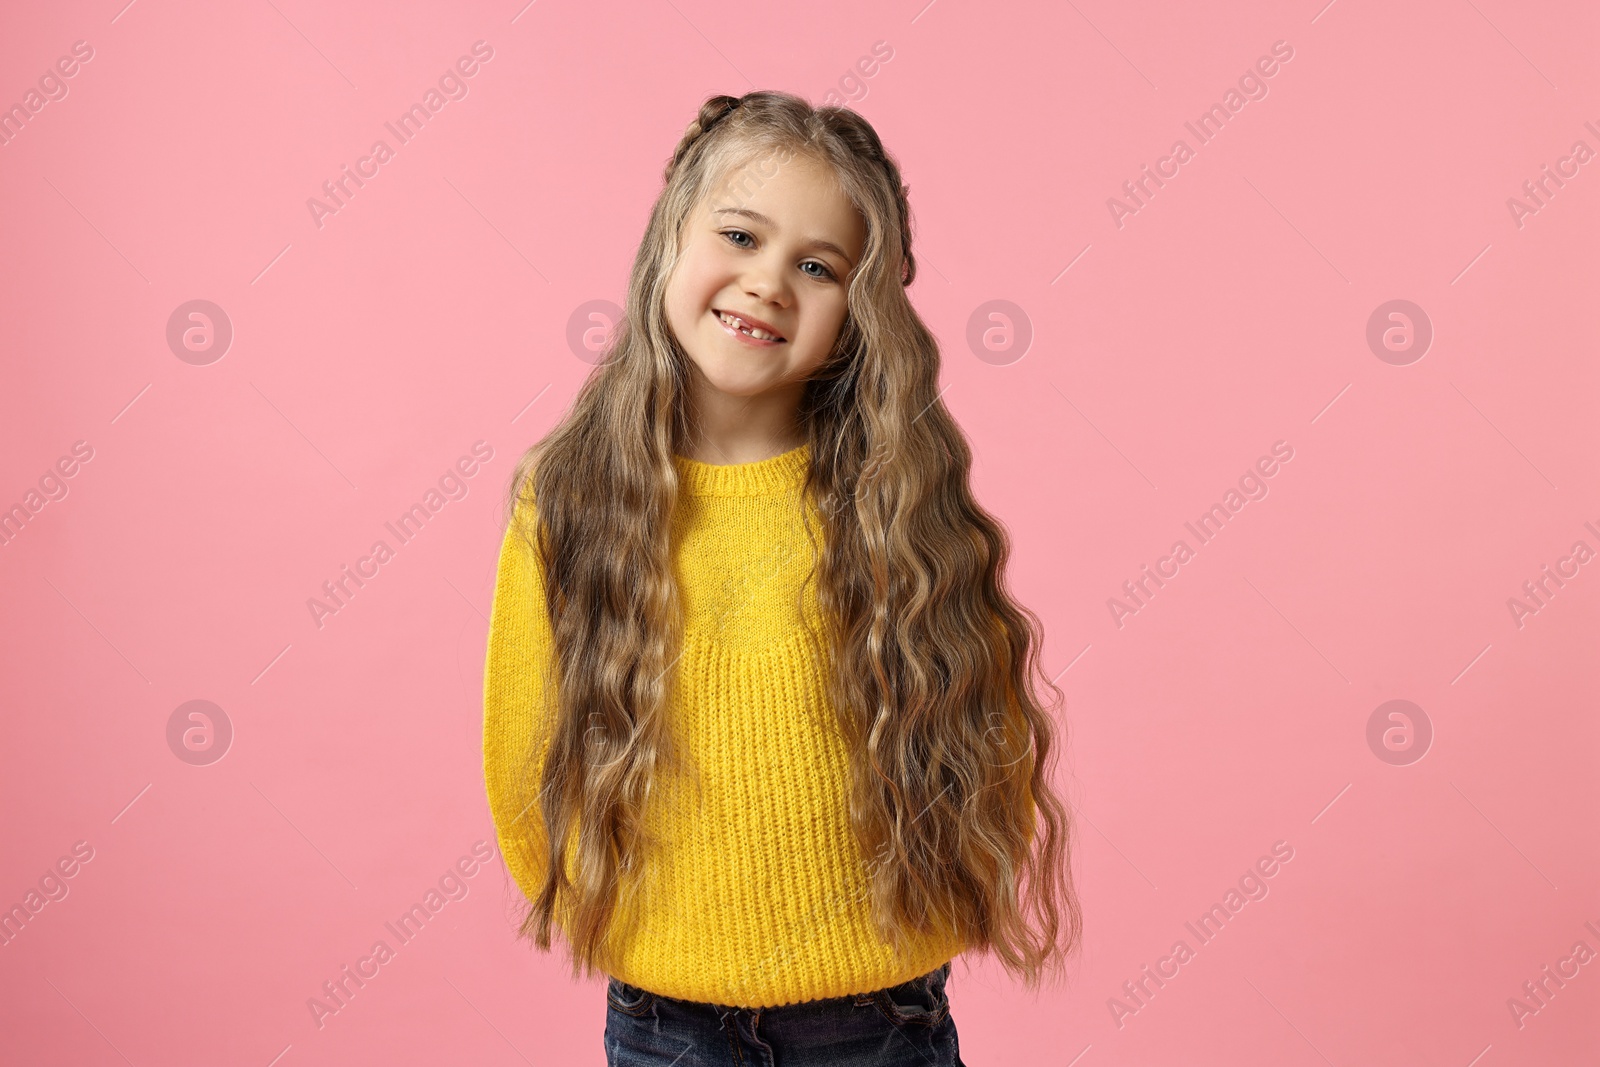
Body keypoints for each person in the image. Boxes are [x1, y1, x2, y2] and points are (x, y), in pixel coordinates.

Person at [483, 89, 1083, 1066]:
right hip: (664, 1021)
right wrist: (640, 925)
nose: (768, 282)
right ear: (670, 239)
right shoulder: (568, 496)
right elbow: (525, 750)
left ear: (860, 311)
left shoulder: (891, 497)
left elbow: (979, 729)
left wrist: (915, 907)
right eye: (739, 235)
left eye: (816, 265)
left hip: (877, 1021)